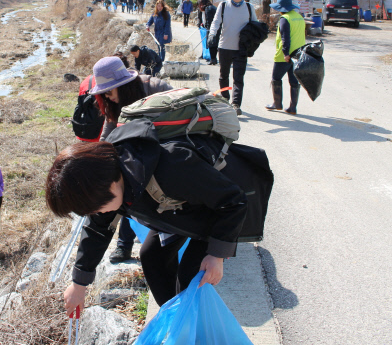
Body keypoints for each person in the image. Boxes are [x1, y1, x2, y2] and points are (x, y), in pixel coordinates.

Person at [45, 117, 270, 312]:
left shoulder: (172, 165)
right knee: (152, 256)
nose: (96, 213)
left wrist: (217, 254)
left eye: (95, 207)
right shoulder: (109, 179)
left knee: (193, 279)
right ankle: (175, 322)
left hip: (215, 211)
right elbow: (97, 229)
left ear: (111, 184)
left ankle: (191, 328)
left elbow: (234, 201)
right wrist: (79, 284)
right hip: (179, 211)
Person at [89, 56, 172, 263]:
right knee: (129, 195)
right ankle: (124, 246)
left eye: (109, 91)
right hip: (139, 155)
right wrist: (96, 158)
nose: (107, 97)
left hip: (167, 153)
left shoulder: (156, 88)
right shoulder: (113, 103)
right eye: (103, 93)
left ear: (123, 85)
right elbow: (108, 133)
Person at [208, 0, 257, 115]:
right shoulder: (223, 6)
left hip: (241, 49)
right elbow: (216, 22)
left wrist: (253, 43)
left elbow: (255, 26)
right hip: (224, 46)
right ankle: (225, 100)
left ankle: (236, 104)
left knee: (238, 78)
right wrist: (212, 35)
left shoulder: (249, 7)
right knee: (224, 76)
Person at [265, 0, 306, 115]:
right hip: (298, 55)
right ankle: (293, 107)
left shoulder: (285, 19)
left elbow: (285, 38)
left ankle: (277, 104)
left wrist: (286, 53)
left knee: (276, 78)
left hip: (284, 56)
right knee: (294, 81)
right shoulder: (299, 17)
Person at [198, 0, 218, 65]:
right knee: (214, 44)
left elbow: (209, 20)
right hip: (217, 27)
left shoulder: (208, 9)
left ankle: (213, 59)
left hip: (212, 28)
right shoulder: (213, 7)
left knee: (211, 43)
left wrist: (207, 28)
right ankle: (214, 59)